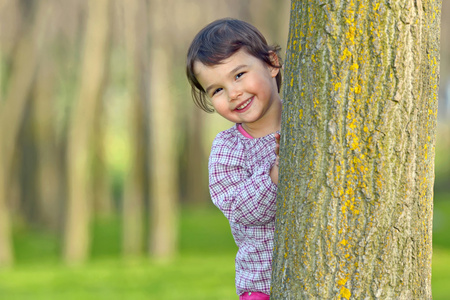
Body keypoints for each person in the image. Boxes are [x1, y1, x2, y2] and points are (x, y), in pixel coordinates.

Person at [186, 18, 282, 300]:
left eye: (239, 75)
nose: (233, 93)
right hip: (262, 286)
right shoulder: (227, 148)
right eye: (217, 90)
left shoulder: (303, 122)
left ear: (272, 64)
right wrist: (274, 175)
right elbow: (239, 208)